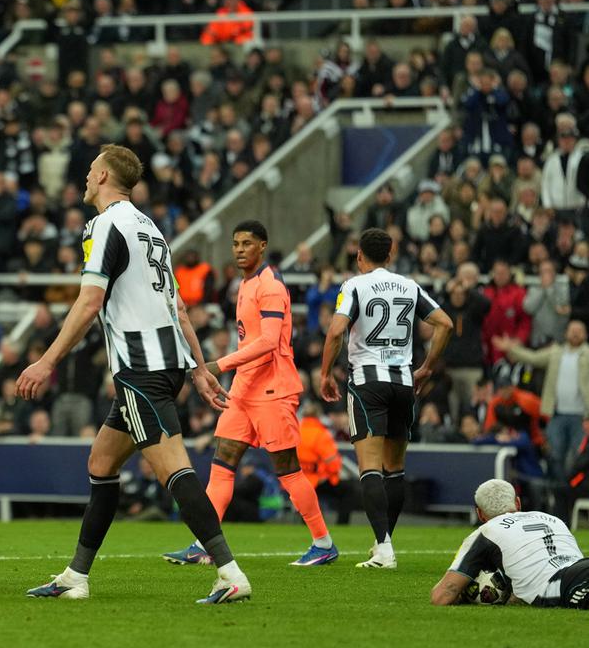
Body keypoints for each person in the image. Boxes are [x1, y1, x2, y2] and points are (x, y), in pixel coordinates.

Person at [17, 144, 251, 603]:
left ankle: (230, 573)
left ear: (104, 176)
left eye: (89, 171)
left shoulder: (106, 225)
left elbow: (89, 302)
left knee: (174, 469)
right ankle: (75, 577)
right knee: (101, 463)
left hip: (142, 369)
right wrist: (200, 370)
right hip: (165, 364)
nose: (85, 178)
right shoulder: (151, 229)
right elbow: (178, 306)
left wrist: (46, 361)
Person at [167, 220, 339, 568]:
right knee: (223, 460)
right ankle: (204, 543)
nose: (240, 249)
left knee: (287, 468)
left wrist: (220, 365)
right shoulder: (243, 284)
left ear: (262, 246)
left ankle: (323, 543)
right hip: (245, 388)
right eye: (235, 243)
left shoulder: (270, 286)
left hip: (274, 388)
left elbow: (268, 342)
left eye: (247, 243)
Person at [319, 228, 453, 568]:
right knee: (394, 469)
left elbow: (336, 331)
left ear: (360, 256)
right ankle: (385, 543)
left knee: (370, 468)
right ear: (390, 256)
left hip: (368, 382)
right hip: (404, 382)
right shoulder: (409, 285)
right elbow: (446, 324)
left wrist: (324, 373)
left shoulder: (354, 285)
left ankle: (384, 547)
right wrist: (425, 368)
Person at [431, 479, 588, 609]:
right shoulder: (552, 519)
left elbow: (442, 596)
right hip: (581, 568)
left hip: (564, 584)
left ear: (479, 514)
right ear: (518, 503)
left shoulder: (486, 531)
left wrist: (465, 596)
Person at [493, 321, 589, 512]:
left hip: (582, 416)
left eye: (579, 331)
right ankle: (559, 499)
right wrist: (511, 349)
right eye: (572, 331)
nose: (576, 334)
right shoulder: (556, 353)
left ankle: (572, 497)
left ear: (585, 334)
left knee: (577, 460)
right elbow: (533, 358)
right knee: (554, 456)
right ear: (566, 333)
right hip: (557, 414)